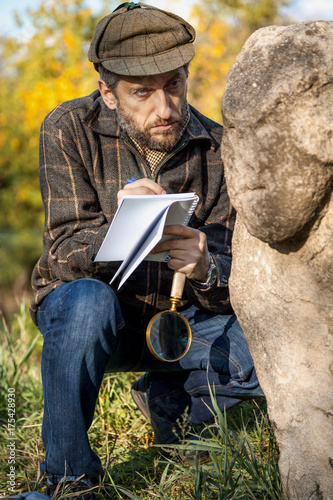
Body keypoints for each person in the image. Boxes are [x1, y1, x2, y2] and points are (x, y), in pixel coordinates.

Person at [30, 3, 263, 499]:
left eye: (174, 85)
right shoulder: (66, 128)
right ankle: (68, 481)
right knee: (89, 303)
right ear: (107, 93)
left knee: (261, 339)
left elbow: (235, 287)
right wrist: (121, 227)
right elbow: (63, 255)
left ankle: (175, 413)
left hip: (179, 326)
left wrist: (206, 265)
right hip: (92, 317)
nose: (165, 108)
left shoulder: (218, 146)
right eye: (142, 92)